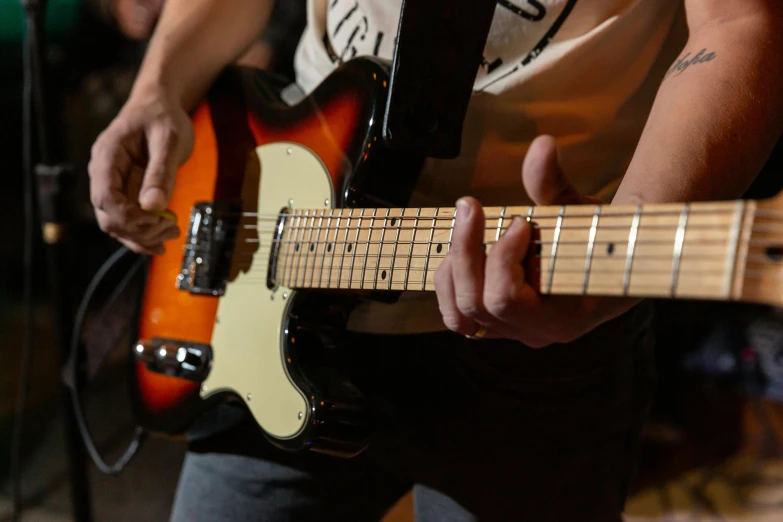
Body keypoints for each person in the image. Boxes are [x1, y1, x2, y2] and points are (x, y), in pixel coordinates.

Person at [87, 0, 783, 520]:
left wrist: (620, 251)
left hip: (538, 337)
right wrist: (158, 89)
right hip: (269, 266)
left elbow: (737, 24)